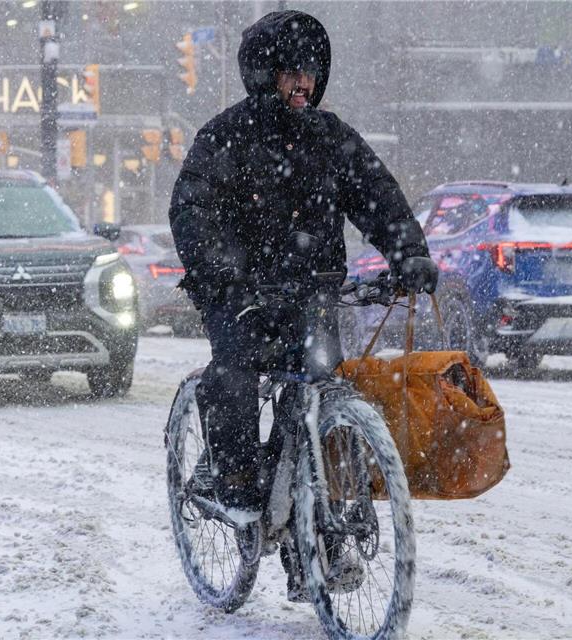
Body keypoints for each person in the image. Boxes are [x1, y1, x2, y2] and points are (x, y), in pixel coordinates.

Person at [169, 11, 437, 526]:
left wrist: (409, 254)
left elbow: (377, 196)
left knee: (323, 386)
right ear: (264, 75)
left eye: (311, 72)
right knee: (236, 373)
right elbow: (192, 212)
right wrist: (227, 277)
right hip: (240, 294)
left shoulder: (330, 137)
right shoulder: (226, 136)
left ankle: (314, 526)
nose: (304, 83)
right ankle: (235, 481)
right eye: (292, 71)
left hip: (313, 292)